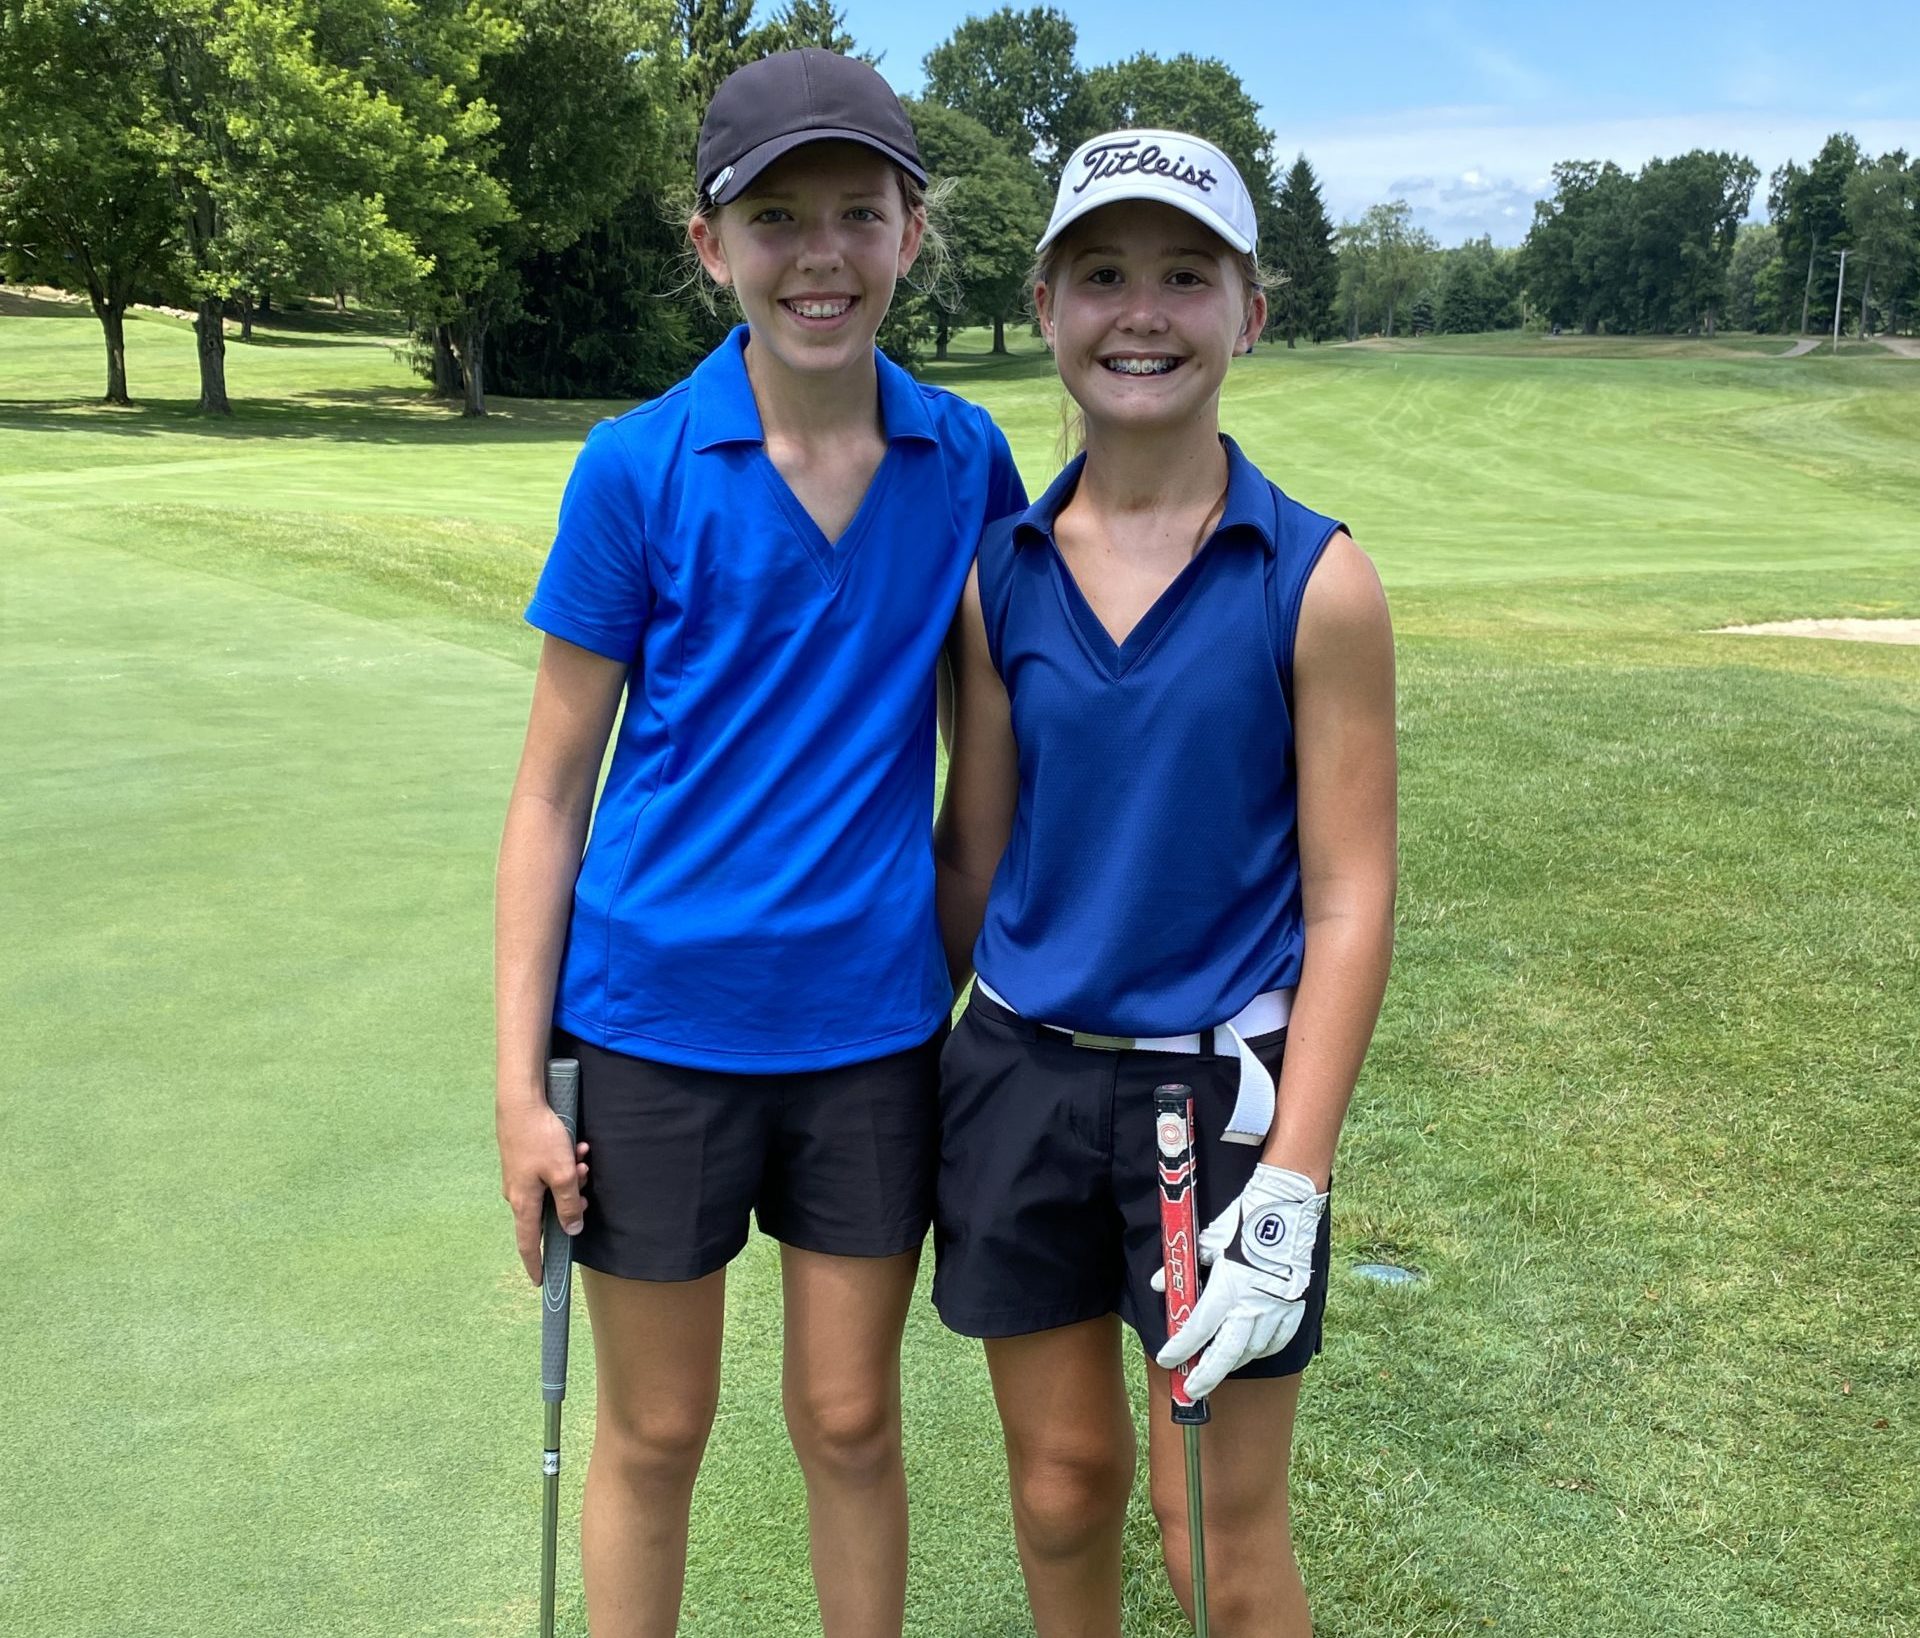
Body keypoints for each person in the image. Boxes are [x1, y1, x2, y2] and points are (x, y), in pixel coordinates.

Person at [493, 49, 1026, 1638]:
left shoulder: (965, 462)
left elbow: (984, 771)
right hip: (650, 1026)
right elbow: (550, 793)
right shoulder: (637, 465)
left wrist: (924, 966)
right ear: (709, 242)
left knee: (851, 1419)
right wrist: (517, 1085)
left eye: (858, 213)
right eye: (776, 217)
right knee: (658, 1427)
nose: (820, 255)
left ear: (912, 232)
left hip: (868, 1039)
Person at [933, 129, 1397, 1637]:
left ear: (1248, 312)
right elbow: (977, 853)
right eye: (1103, 275)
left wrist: (1297, 1181)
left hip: (1218, 1106)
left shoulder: (1313, 577)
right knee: (1062, 1484)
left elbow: (1350, 902)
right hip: (1020, 1077)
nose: (1142, 313)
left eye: (1186, 276)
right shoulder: (1000, 573)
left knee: (1214, 1524)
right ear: (1047, 306)